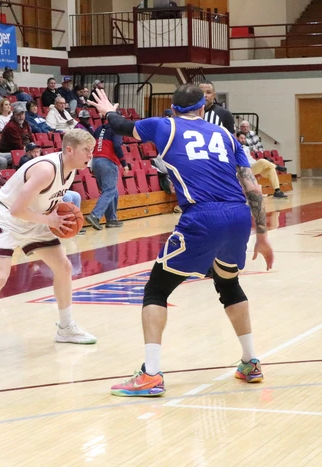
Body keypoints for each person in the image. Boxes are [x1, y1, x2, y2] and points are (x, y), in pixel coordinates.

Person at [88, 84, 274, 396]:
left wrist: (107, 109)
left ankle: (151, 374)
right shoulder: (227, 136)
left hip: (202, 217)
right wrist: (264, 235)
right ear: (204, 108)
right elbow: (254, 188)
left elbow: (120, 126)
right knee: (228, 284)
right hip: (239, 217)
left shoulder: (164, 126)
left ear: (174, 108)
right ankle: (250, 362)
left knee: (156, 289)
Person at [0, 129, 98, 359]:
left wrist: (58, 217)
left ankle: (66, 327)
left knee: (64, 267)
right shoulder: (46, 169)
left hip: (34, 219)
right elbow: (16, 210)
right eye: (86, 150)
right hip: (7, 219)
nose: (90, 155)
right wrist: (49, 220)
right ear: (70, 150)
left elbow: (46, 201)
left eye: (91, 151)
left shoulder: (70, 170)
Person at [85, 120, 127, 231]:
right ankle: (95, 215)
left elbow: (92, 145)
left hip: (96, 161)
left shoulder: (98, 129)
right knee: (109, 190)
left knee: (112, 190)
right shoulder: (116, 129)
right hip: (108, 161)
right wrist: (124, 163)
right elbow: (117, 146)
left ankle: (111, 219)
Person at [236, 132, 287, 199]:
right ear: (237, 138)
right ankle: (276, 166)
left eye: (244, 138)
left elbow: (258, 149)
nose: (243, 140)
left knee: (271, 170)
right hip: (245, 169)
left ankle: (277, 191)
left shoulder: (247, 148)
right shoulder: (235, 148)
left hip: (254, 166)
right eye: (241, 138)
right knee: (262, 161)